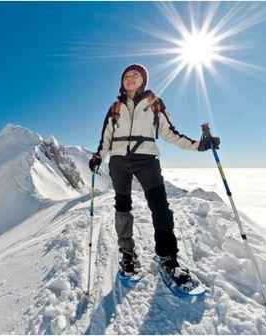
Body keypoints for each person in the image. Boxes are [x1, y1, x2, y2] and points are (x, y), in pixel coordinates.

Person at [88, 63, 220, 285]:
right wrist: (99, 157)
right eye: (126, 76)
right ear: (122, 82)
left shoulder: (154, 103)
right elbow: (106, 138)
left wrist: (199, 146)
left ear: (143, 80)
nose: (130, 79)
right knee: (122, 206)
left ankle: (169, 257)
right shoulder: (115, 107)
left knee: (160, 207)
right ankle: (127, 254)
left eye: (135, 75)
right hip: (119, 161)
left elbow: (169, 133)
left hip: (147, 159)